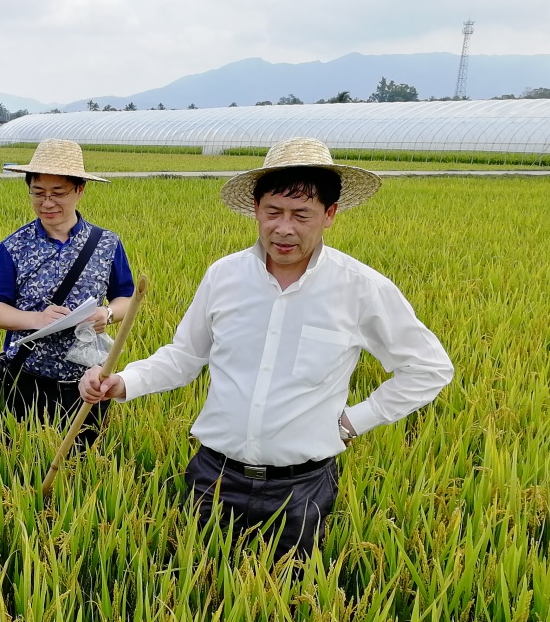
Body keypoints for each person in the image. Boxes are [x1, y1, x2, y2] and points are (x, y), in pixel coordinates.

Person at [80, 137, 453, 557]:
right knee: (194, 596)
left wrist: (353, 422)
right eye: (273, 212)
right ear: (256, 210)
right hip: (213, 478)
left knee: (288, 607)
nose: (284, 228)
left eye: (301, 215)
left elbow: (429, 368)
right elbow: (184, 357)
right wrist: (123, 381)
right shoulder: (224, 276)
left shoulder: (361, 289)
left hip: (301, 489)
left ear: (330, 215)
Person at [0, 138, 137, 448]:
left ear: (80, 190)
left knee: (79, 465)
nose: (47, 203)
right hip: (26, 378)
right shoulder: (13, 247)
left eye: (58, 193)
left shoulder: (107, 244)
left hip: (88, 381)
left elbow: (126, 298)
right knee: (15, 459)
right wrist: (37, 319)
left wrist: (106, 313)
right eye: (38, 193)